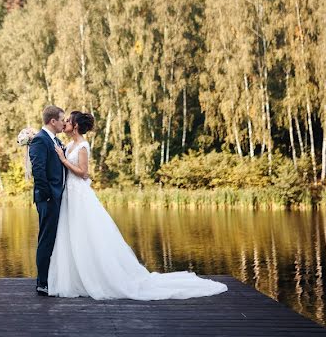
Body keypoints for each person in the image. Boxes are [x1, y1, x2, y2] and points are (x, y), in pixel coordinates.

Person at [48, 110, 228, 300]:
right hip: (71, 195)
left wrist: (63, 160)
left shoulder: (83, 146)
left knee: (87, 234)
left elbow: (84, 173)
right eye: (65, 120)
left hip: (80, 195)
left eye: (68, 121)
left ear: (75, 126)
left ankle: (97, 278)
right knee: (74, 234)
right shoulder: (69, 144)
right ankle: (76, 278)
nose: (65, 123)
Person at [28, 105, 66, 295]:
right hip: (48, 199)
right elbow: (38, 171)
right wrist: (49, 194)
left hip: (57, 197)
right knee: (46, 240)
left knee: (53, 239)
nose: (64, 123)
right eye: (62, 119)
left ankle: (51, 278)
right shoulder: (40, 141)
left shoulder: (55, 141)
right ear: (53, 121)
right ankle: (42, 282)